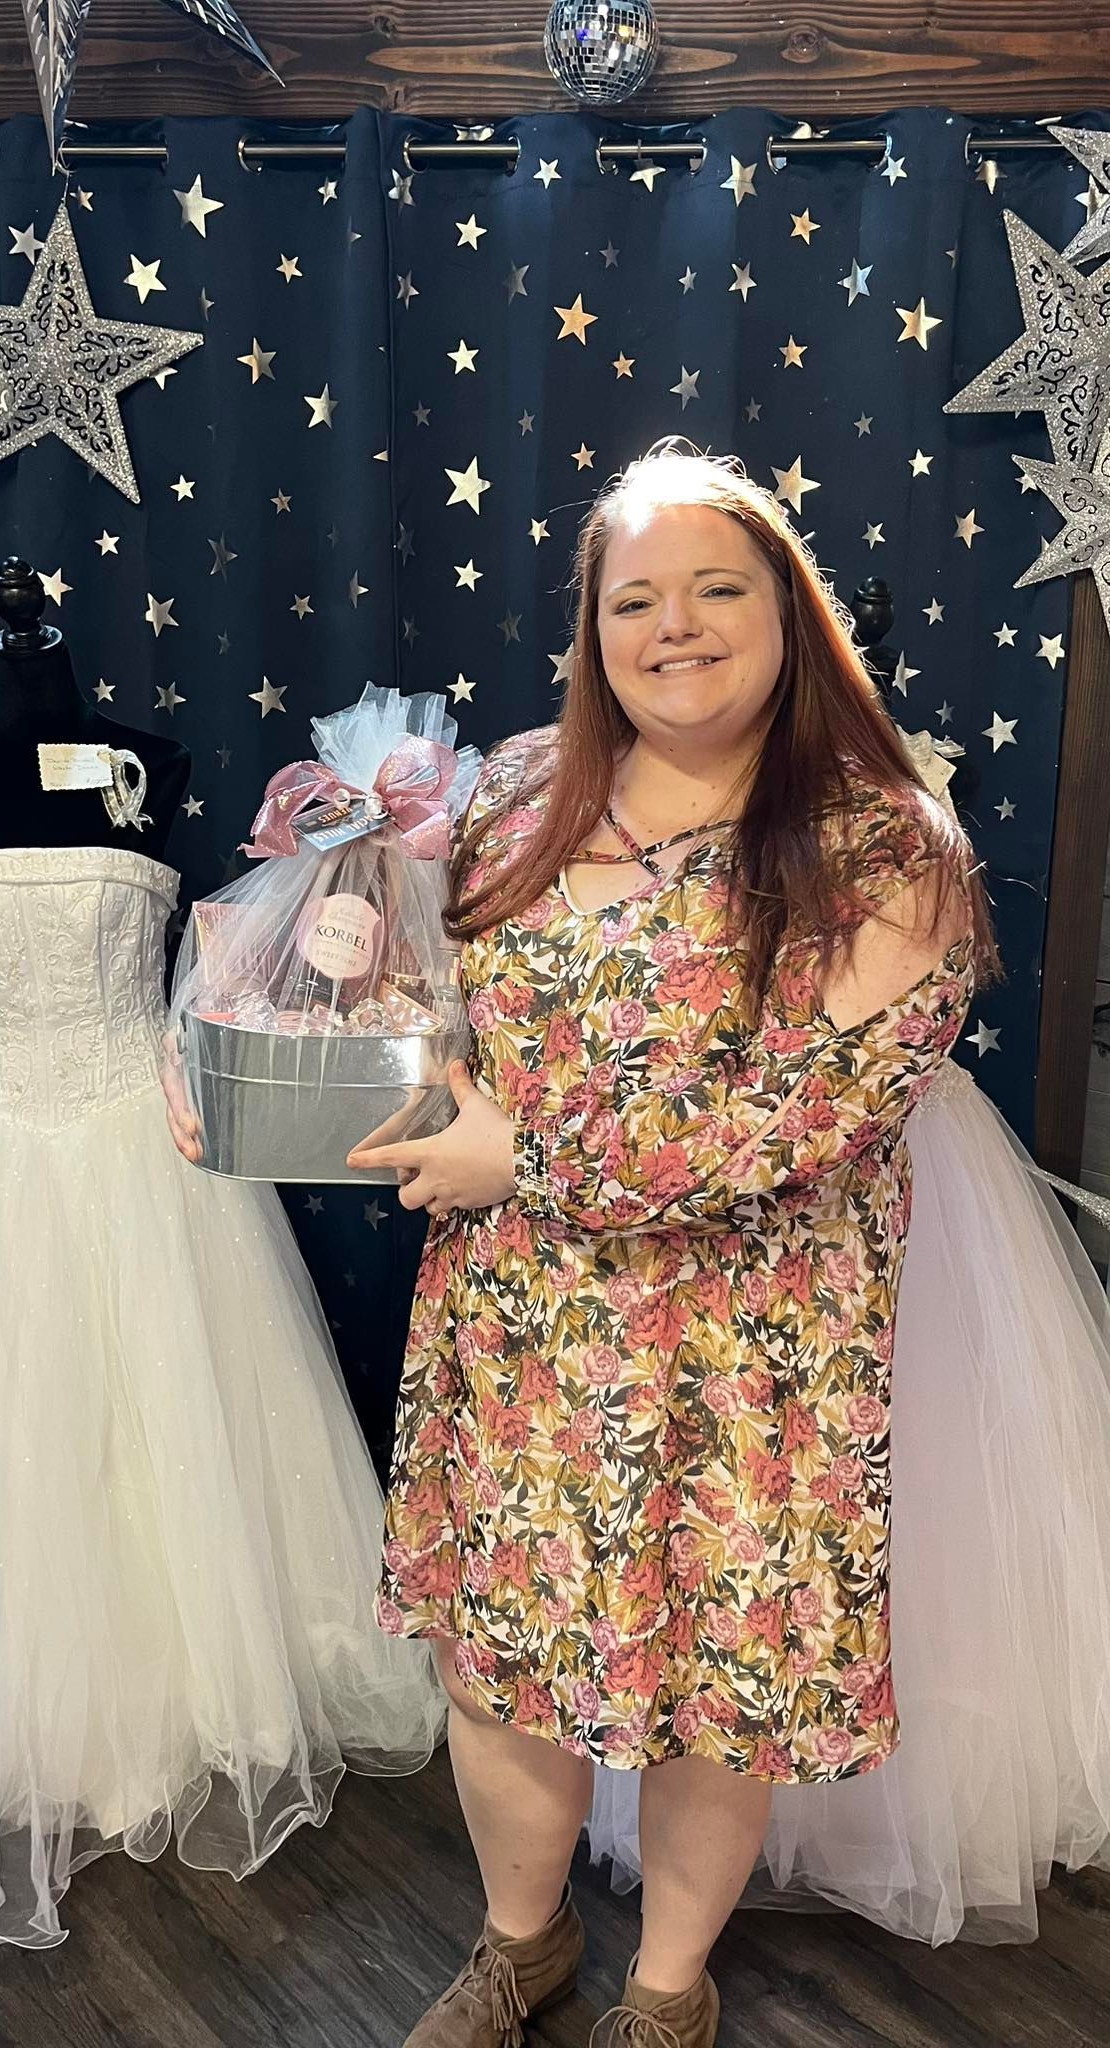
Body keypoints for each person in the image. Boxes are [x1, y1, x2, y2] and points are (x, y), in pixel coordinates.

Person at [347, 440, 996, 2048]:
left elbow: (802, 1121)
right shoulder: (505, 798)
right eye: (636, 599)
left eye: (719, 587)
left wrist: (532, 1153)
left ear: (791, 612)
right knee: (498, 1667)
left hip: (758, 1358)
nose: (677, 627)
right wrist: (272, 1052)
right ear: (592, 631)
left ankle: (665, 1986)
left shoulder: (889, 845)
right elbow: (434, 1021)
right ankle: (522, 1944)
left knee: (726, 1687)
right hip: (519, 1342)